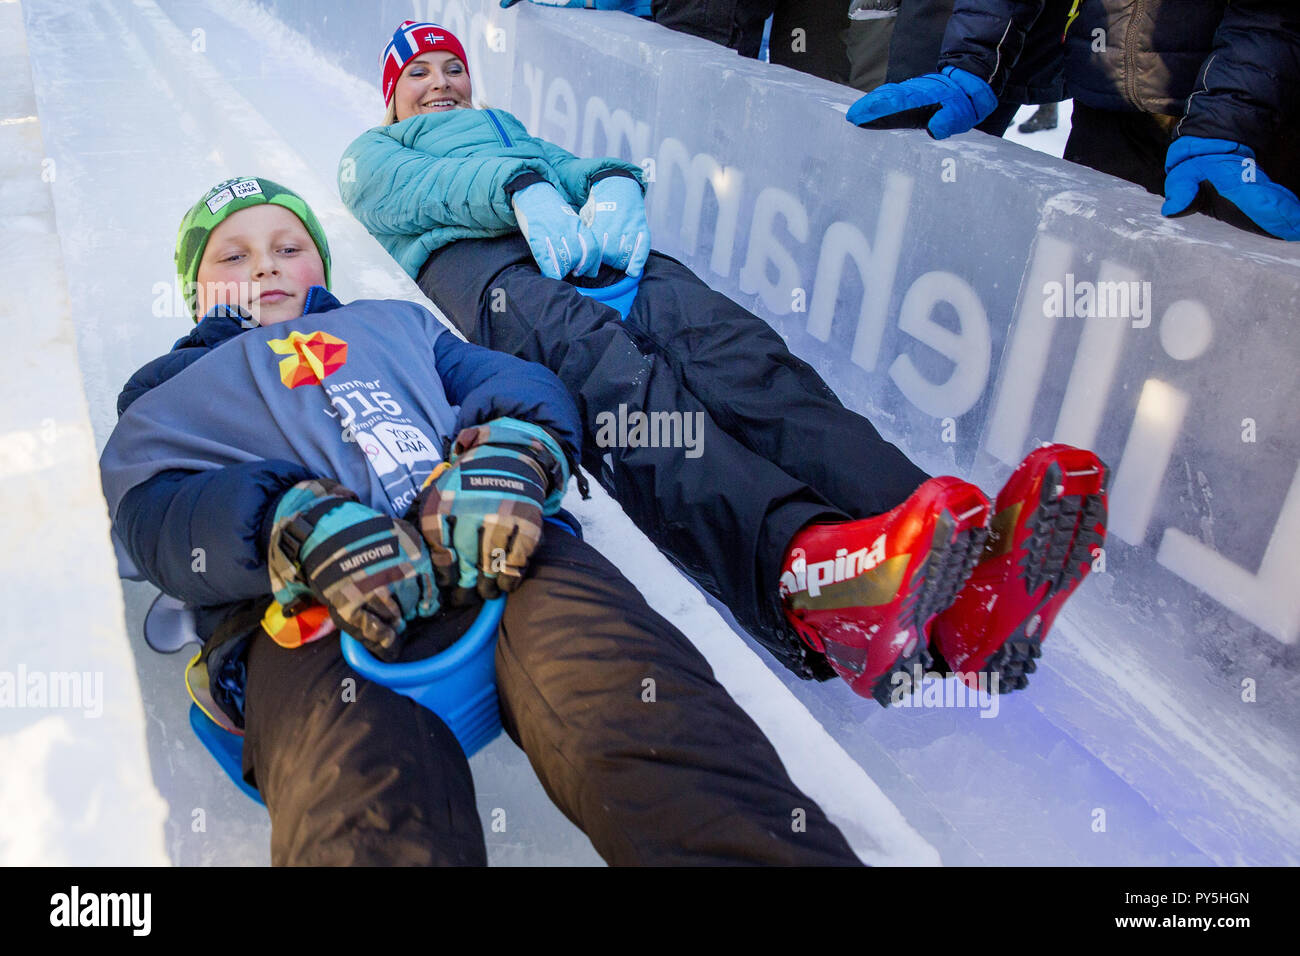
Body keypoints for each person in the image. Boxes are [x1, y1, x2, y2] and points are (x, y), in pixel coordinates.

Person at [338, 21, 1110, 705]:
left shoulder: (504, 126)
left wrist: (610, 183)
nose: (441, 83)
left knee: (750, 365)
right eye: (419, 75)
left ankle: (955, 560)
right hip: (494, 270)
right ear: (392, 97)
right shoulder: (375, 152)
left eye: (452, 69)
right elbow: (411, 192)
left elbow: (571, 167)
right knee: (638, 398)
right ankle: (807, 574)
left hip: (599, 253)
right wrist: (519, 187)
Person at [99, 177, 864, 866]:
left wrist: (515, 449)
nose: (264, 266)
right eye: (232, 256)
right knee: (354, 795)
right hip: (304, 607)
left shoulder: (392, 323)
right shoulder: (168, 384)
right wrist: (283, 520)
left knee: (633, 696)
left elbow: (512, 381)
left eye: (287, 246)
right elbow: (154, 513)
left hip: (494, 540)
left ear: (321, 269)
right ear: (194, 293)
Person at [845, 0, 1300, 240]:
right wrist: (970, 61)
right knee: (1087, 280)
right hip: (1104, 108)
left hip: (1237, 130)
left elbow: (1268, 18)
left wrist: (1225, 130)